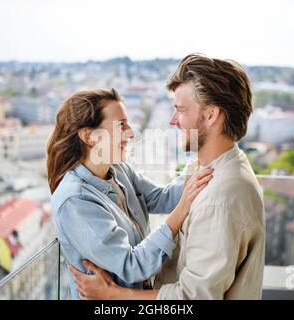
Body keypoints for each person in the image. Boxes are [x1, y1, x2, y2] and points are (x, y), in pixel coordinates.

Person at [71, 53, 266, 300]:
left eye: (181, 111)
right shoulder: (216, 170)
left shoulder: (220, 199)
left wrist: (115, 294)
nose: (173, 121)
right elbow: (162, 197)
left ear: (210, 115)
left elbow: (192, 299)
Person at [47, 88, 214, 299]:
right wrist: (182, 210)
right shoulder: (75, 200)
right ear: (89, 136)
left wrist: (204, 160)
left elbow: (161, 198)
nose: (131, 133)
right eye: (121, 125)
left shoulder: (118, 169)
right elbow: (132, 265)